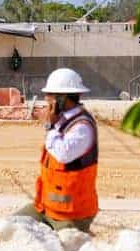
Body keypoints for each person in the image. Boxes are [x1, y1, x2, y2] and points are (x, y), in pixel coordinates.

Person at [15, 68, 98, 232]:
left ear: (62, 98)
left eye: (50, 95)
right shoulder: (63, 120)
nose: (46, 99)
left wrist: (49, 125)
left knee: (62, 249)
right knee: (10, 228)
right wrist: (48, 120)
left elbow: (63, 154)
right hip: (47, 207)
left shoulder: (82, 127)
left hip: (73, 213)